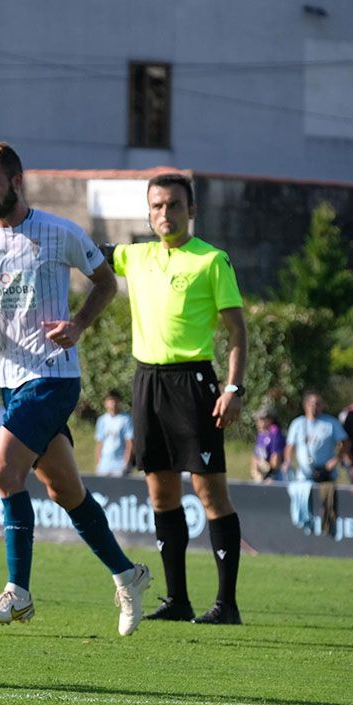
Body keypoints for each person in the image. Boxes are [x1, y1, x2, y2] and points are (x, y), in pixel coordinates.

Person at [0, 141, 150, 636]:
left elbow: (105, 282)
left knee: (2, 468)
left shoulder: (60, 231)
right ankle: (127, 574)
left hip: (54, 375)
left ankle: (19, 593)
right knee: (64, 490)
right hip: (11, 381)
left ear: (16, 181)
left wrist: (78, 324)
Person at [109, 172, 247, 625]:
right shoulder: (135, 256)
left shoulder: (212, 261)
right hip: (146, 382)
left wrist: (232, 388)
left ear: (191, 210)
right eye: (156, 206)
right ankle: (177, 600)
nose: (164, 213)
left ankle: (226, 605)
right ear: (148, 212)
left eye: (172, 205)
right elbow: (83, 253)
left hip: (193, 384)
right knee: (160, 492)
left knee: (210, 492)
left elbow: (236, 332)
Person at [285, 391, 349, 536]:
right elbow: (289, 447)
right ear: (305, 405)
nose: (315, 407)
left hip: (326, 473)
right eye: (312, 404)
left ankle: (327, 528)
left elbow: (345, 443)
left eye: (318, 404)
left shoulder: (330, 423)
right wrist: (288, 462)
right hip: (304, 475)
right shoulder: (298, 424)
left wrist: (334, 462)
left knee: (327, 499)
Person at [94, 390, 134, 477]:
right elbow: (99, 443)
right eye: (110, 400)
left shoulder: (126, 419)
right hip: (105, 464)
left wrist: (126, 463)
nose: (113, 403)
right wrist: (99, 463)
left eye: (115, 400)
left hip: (119, 463)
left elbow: (129, 443)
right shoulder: (102, 420)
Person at [250, 407, 284, 483]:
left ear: (270, 420)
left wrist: (267, 470)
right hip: (262, 473)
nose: (258, 422)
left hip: (274, 475)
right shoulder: (261, 434)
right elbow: (256, 456)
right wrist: (256, 472)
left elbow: (276, 460)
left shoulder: (275, 433)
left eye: (261, 419)